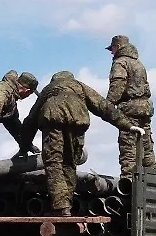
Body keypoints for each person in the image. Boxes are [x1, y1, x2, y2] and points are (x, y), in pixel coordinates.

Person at [22, 71, 143, 216]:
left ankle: (61, 206)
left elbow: (30, 121)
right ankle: (67, 204)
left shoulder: (49, 89)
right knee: (70, 164)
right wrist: (127, 125)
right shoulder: (79, 86)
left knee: (54, 163)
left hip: (53, 123)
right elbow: (103, 106)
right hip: (77, 124)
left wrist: (24, 146)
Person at [106, 34, 156, 177]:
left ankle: (129, 183)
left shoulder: (120, 63)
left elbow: (118, 84)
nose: (111, 52)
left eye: (112, 48)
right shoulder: (138, 63)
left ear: (118, 47)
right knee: (146, 148)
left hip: (129, 109)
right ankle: (153, 181)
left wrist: (108, 104)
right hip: (144, 108)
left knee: (128, 149)